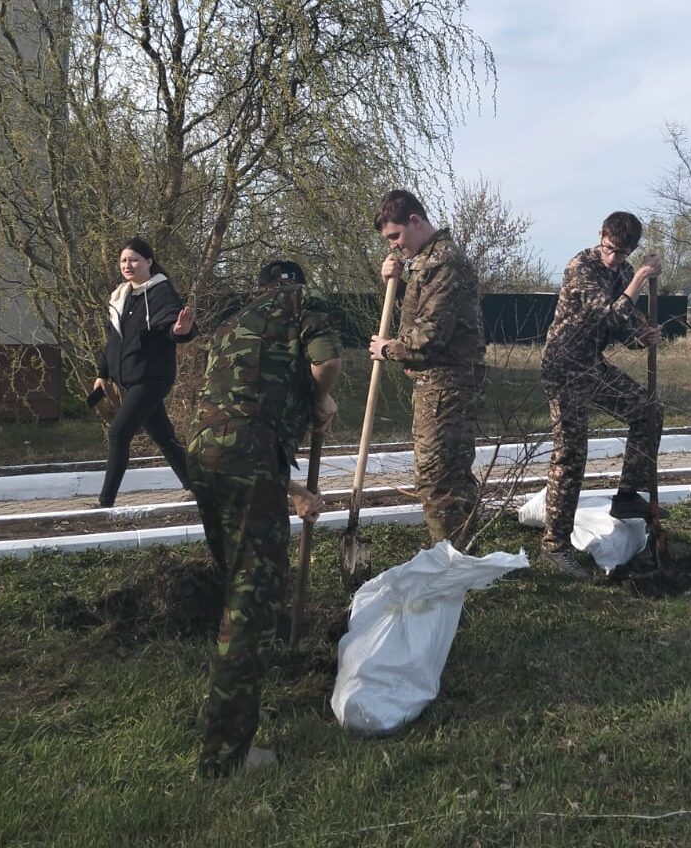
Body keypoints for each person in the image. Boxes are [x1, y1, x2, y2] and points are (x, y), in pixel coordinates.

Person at [187, 259, 341, 779]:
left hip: (205, 452)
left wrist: (290, 489)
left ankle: (220, 719)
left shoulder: (233, 320)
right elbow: (328, 362)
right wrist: (321, 400)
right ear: (295, 282)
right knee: (251, 605)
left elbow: (233, 416)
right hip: (250, 451)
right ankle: (226, 757)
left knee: (236, 589)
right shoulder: (302, 303)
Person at [538, 211, 664, 579]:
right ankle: (554, 546)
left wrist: (642, 338)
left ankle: (627, 496)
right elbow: (607, 316)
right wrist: (640, 276)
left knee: (648, 410)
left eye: (622, 255)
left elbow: (622, 330)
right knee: (572, 454)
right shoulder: (582, 266)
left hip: (591, 366)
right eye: (609, 249)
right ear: (600, 237)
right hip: (563, 368)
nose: (613, 259)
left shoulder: (623, 273)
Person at [369, 189, 486, 547]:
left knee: (437, 478)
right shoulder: (428, 261)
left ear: (415, 221)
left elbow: (431, 336)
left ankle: (449, 563)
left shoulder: (444, 262)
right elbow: (424, 308)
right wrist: (399, 283)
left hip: (447, 385)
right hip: (440, 384)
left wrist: (389, 349)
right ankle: (461, 555)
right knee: (450, 475)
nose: (394, 246)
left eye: (396, 236)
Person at [94, 236, 196, 508]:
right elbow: (112, 339)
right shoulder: (121, 296)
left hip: (152, 378)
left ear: (149, 261)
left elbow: (172, 327)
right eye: (124, 260)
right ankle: (197, 487)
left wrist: (180, 331)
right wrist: (102, 372)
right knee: (163, 437)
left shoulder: (161, 292)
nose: (128, 265)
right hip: (129, 379)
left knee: (118, 433)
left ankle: (105, 503)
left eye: (134, 260)